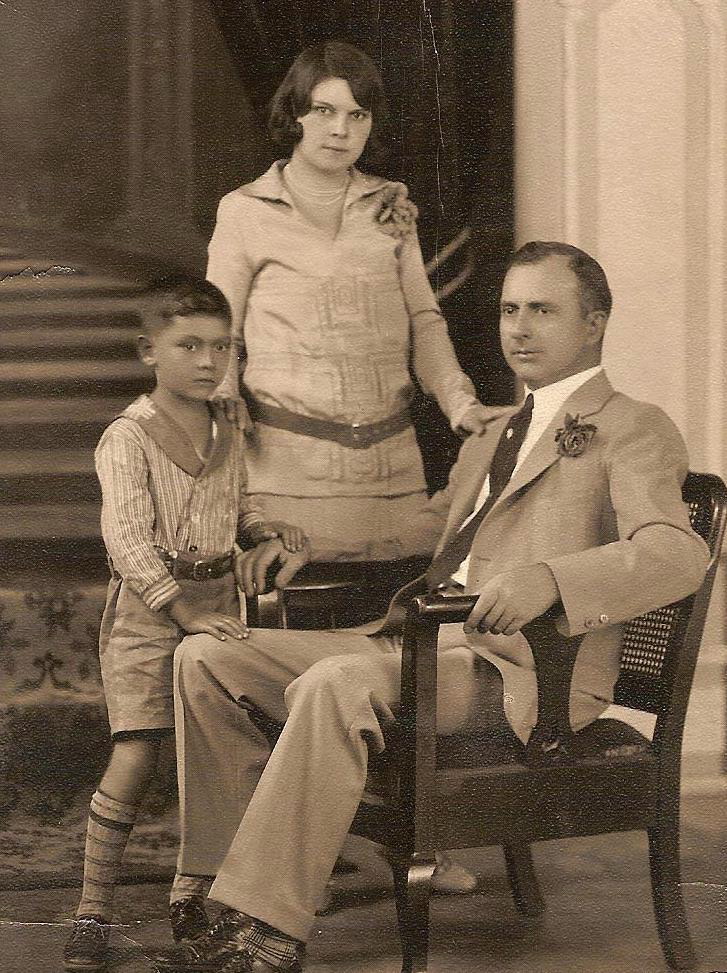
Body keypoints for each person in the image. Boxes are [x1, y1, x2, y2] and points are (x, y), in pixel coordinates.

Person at [164, 243, 709, 973]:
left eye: (542, 310)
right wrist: (308, 544)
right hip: (419, 647)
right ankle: (214, 894)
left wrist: (550, 578)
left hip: (522, 674)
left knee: (336, 682)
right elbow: (425, 533)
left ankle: (268, 929)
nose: (519, 328)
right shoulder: (494, 431)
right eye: (509, 309)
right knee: (206, 657)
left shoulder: (633, 425)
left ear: (594, 323)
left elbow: (678, 553)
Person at [63, 276, 308, 971]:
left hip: (219, 604)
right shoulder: (127, 437)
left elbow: (238, 506)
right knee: (139, 749)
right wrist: (181, 609)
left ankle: (196, 899)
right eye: (189, 346)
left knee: (219, 754)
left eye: (221, 346)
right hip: (151, 612)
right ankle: (92, 911)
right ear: (149, 350)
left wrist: (267, 532)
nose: (208, 361)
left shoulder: (227, 426)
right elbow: (127, 539)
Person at [206, 40, 509, 562]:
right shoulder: (244, 211)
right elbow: (218, 330)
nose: (340, 130)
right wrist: (224, 391)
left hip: (395, 478)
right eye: (324, 111)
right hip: (286, 480)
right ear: (296, 114)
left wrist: (460, 402)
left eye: (357, 115)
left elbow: (424, 321)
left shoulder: (388, 206)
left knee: (396, 604)